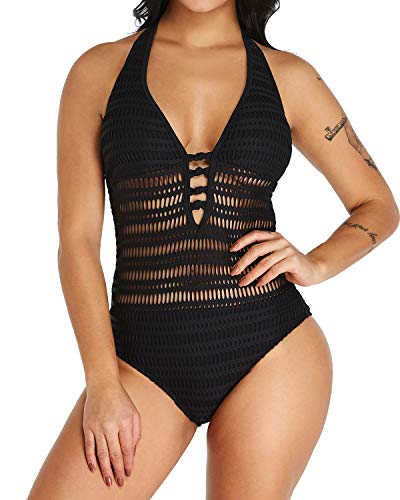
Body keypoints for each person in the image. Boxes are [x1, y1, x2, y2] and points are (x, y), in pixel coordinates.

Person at [28, 1, 399, 499]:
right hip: (141, 359)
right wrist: (102, 383)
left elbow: (378, 204)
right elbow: (77, 243)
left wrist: (316, 263)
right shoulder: (98, 71)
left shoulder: (289, 77)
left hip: (271, 350)